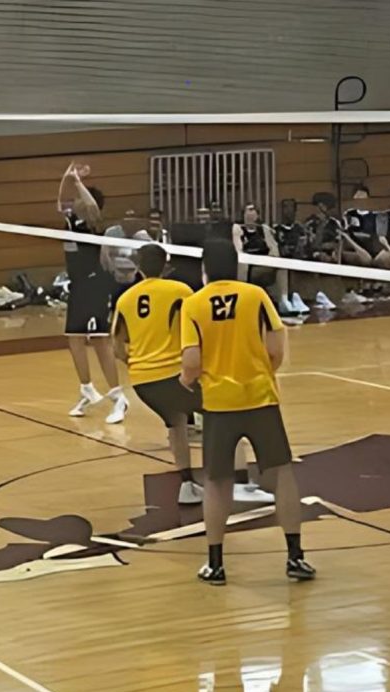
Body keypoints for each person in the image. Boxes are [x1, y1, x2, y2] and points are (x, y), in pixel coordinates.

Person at [180, 239, 316, 585]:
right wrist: (263, 372)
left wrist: (186, 380)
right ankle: (295, 558)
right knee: (283, 474)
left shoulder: (193, 304)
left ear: (205, 269)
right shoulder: (256, 296)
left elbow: (192, 361)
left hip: (219, 404)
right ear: (237, 266)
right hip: (260, 398)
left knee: (216, 482)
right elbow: (276, 345)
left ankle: (216, 564)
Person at [112, 245, 204, 505]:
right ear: (166, 265)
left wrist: (139, 363)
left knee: (176, 425)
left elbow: (117, 347)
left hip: (144, 383)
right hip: (178, 375)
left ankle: (187, 484)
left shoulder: (125, 299)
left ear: (138, 268)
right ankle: (235, 481)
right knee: (224, 416)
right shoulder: (180, 291)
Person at [56, 161, 128, 423]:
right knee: (74, 337)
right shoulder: (72, 219)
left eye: (79, 198)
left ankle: (118, 396)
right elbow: (61, 198)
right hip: (78, 285)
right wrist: (69, 176)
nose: (74, 202)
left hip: (95, 284)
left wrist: (78, 182)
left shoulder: (93, 223)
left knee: (99, 341)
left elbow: (93, 209)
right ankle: (86, 387)